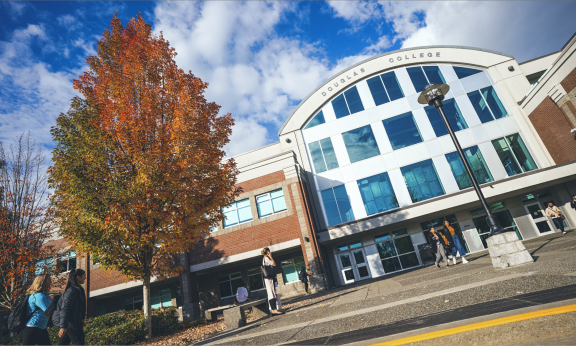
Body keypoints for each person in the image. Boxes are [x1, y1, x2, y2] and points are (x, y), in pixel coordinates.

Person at [53, 269, 86, 345]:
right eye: (84, 276)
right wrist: (63, 326)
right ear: (78, 277)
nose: (85, 278)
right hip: (69, 322)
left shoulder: (80, 290)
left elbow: (82, 306)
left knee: (63, 343)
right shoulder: (71, 291)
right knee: (79, 343)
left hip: (74, 322)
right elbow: (65, 308)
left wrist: (82, 318)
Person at [22, 274, 52, 346]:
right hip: (33, 328)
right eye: (49, 279)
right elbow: (49, 311)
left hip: (41, 328)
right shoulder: (39, 296)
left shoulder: (41, 295)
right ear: (42, 281)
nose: (51, 281)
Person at [261, 247, 283, 315]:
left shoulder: (263, 259)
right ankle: (275, 310)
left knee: (271, 293)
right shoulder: (267, 258)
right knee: (271, 293)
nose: (270, 253)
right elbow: (274, 264)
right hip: (269, 279)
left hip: (267, 278)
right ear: (267, 252)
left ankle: (273, 310)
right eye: (269, 252)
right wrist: (271, 257)